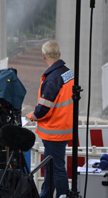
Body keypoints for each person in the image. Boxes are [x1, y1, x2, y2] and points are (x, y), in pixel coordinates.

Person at [26, 40, 74, 198]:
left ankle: (62, 195)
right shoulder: (67, 73)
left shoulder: (52, 78)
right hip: (63, 127)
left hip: (54, 131)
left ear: (43, 56)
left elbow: (44, 109)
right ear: (59, 55)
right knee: (51, 166)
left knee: (58, 168)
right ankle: (45, 194)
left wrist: (32, 115)